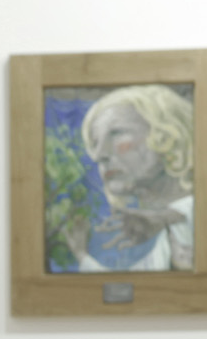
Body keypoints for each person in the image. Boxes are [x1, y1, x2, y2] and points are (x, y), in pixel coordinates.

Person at [64, 84, 196, 272]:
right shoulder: (165, 243)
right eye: (95, 143)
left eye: (117, 133)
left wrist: (166, 218)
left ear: (168, 135)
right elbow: (135, 284)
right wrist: (81, 255)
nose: (98, 155)